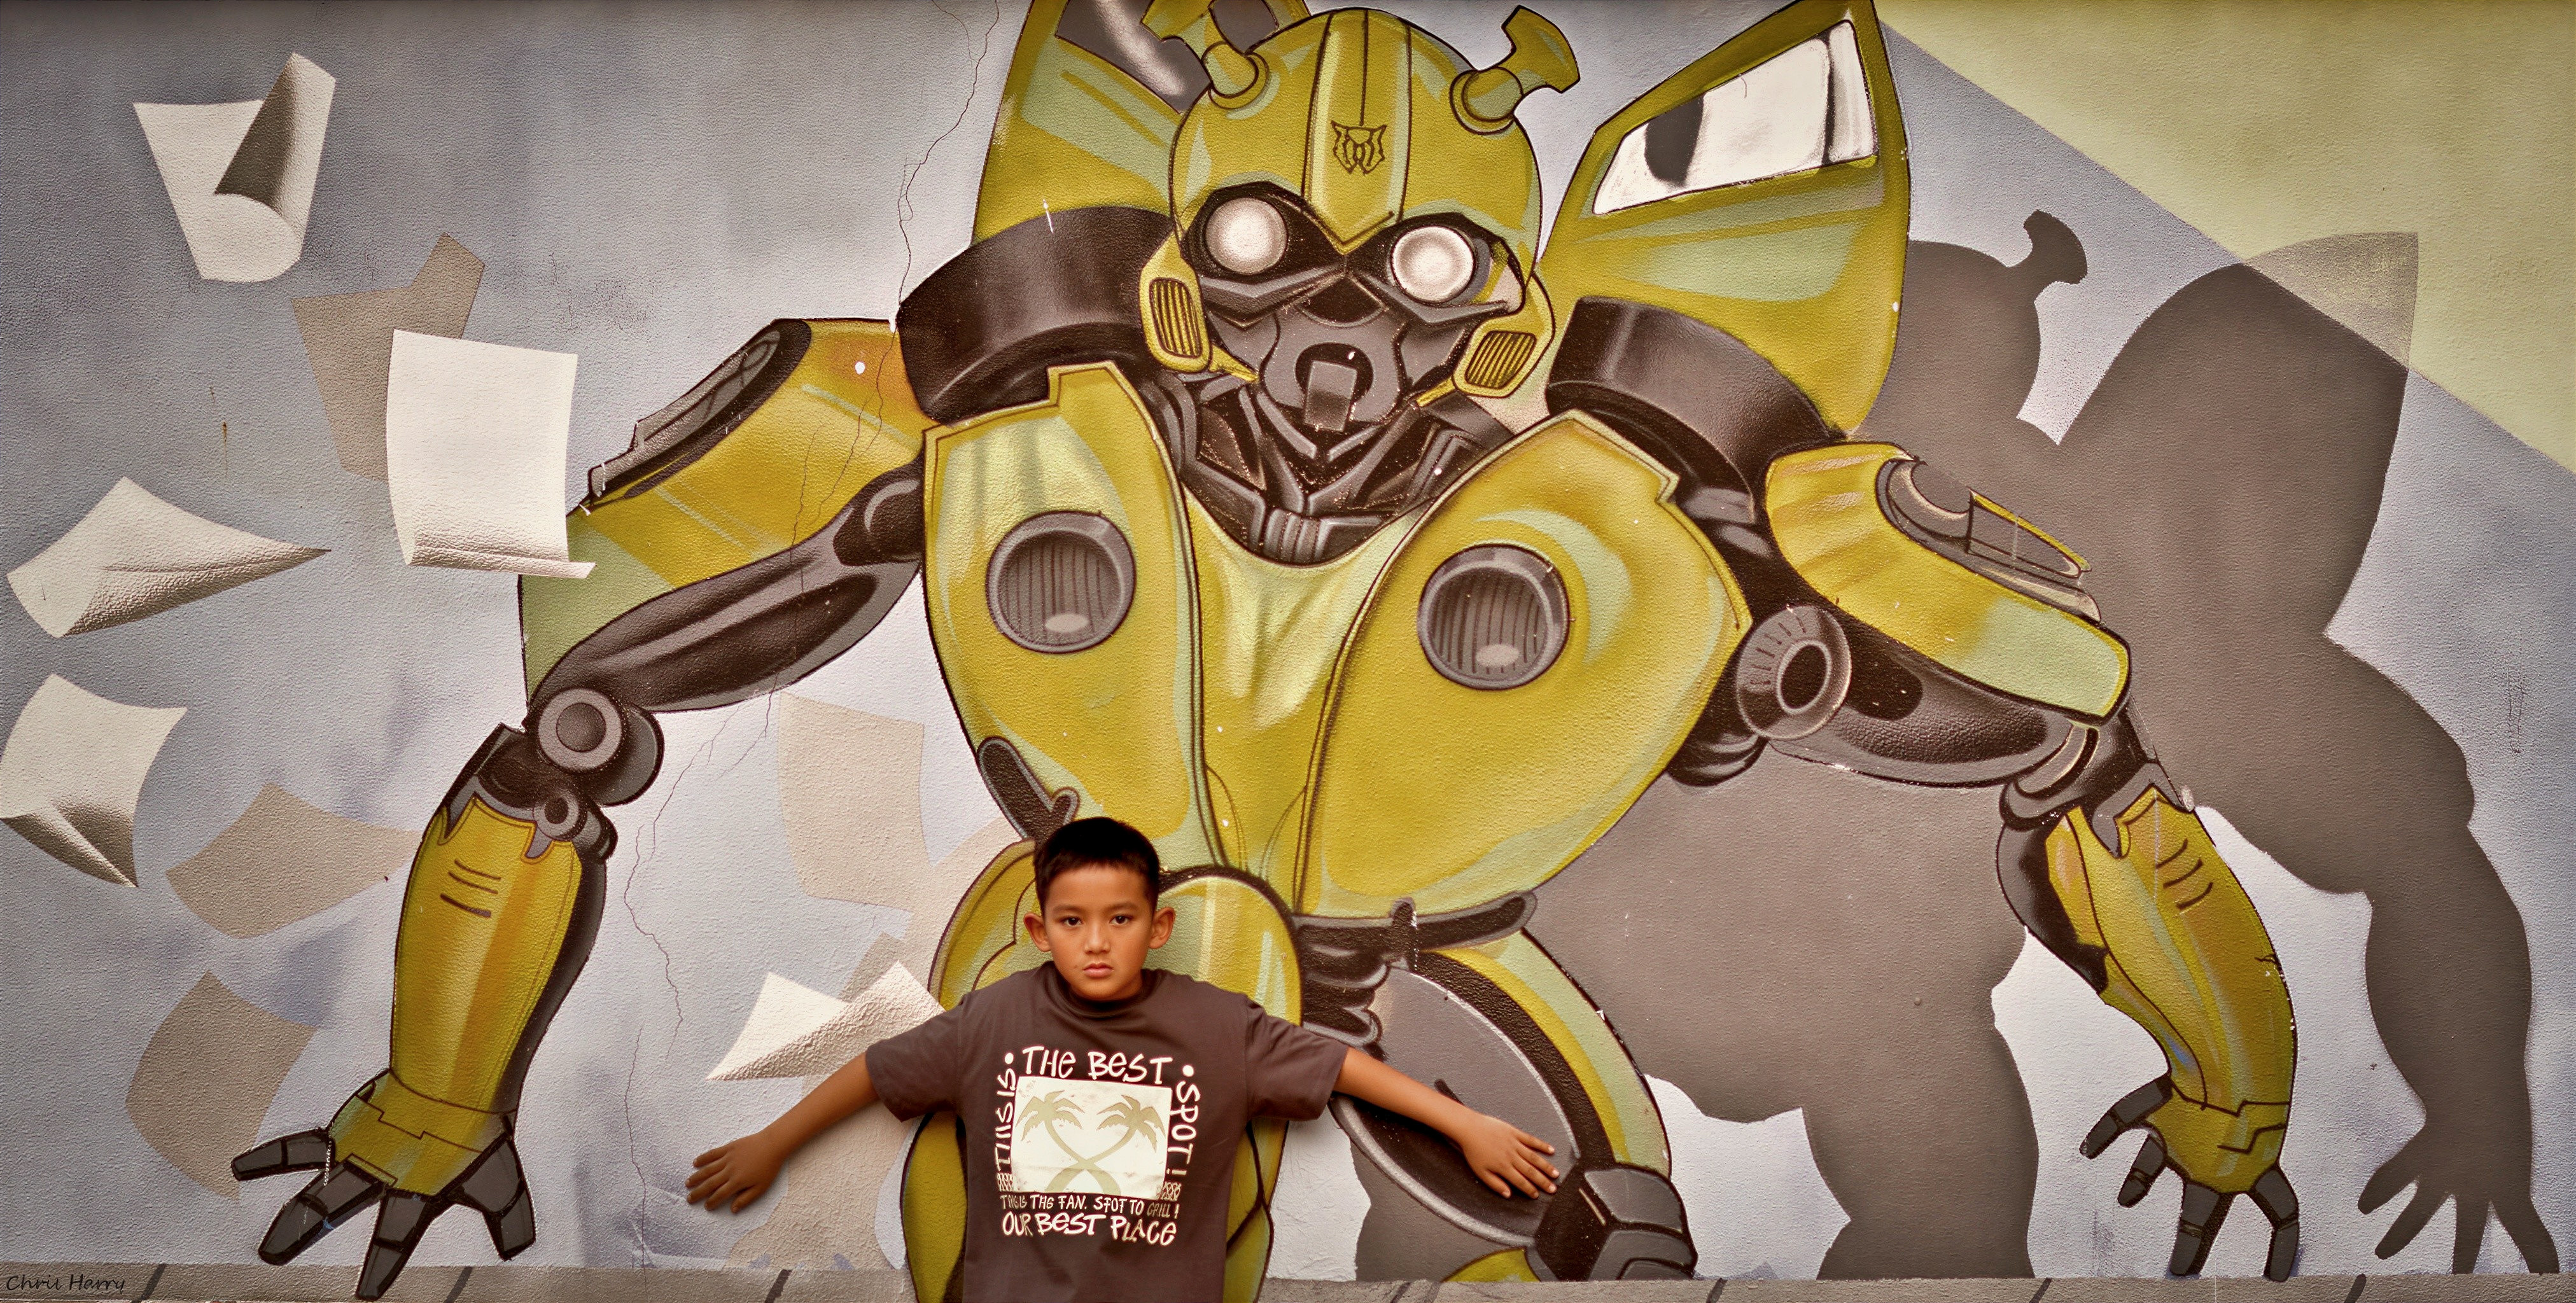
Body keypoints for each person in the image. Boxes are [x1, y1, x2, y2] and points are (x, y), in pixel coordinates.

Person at [685, 816, 1560, 1302]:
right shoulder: (994, 1020)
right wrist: (773, 1143)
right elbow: (879, 1071)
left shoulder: (1216, 1026)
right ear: (1039, 931)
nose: (1096, 943)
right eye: (1072, 922)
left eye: (1120, 920)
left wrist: (1465, 1123)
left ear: (1158, 927)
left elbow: (1338, 1070)